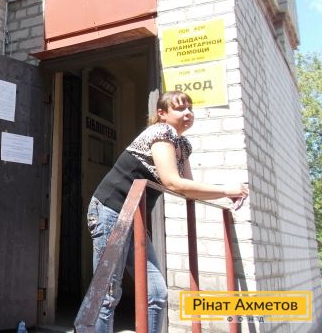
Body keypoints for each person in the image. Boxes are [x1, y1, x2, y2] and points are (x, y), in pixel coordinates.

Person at [85, 91, 249, 333]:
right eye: (180, 108)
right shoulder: (161, 132)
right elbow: (174, 183)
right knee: (107, 293)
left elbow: (188, 189)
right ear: (162, 114)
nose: (188, 113)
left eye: (190, 108)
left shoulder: (183, 145)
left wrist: (224, 196)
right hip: (110, 210)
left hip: (134, 218)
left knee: (156, 293)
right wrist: (226, 190)